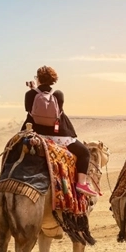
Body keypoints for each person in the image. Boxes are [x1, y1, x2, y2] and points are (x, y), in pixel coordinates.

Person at [22, 65, 96, 197]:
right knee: (84, 153)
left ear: (38, 79)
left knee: (13, 149)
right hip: (60, 137)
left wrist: (34, 90)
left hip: (35, 134)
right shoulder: (58, 95)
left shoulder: (29, 94)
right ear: (53, 80)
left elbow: (31, 108)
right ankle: (81, 183)